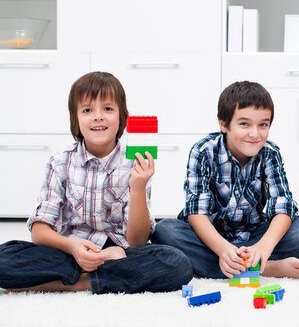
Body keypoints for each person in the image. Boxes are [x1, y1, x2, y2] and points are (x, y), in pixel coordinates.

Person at [0, 72, 192, 293]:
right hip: (69, 251)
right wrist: (72, 247)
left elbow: (138, 242)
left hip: (120, 252)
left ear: (122, 118)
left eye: (108, 109)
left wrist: (138, 188)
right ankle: (91, 276)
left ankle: (77, 284)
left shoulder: (135, 162)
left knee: (177, 263)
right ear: (76, 119)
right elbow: (39, 230)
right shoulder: (59, 162)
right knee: (5, 257)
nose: (98, 116)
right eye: (87, 110)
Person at [151, 81, 299, 279]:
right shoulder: (203, 151)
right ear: (223, 124)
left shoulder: (270, 153)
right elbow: (196, 213)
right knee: (165, 230)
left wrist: (263, 247)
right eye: (244, 124)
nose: (255, 134)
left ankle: (244, 263)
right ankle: (266, 268)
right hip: (209, 237)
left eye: (263, 124)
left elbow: (283, 205)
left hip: (252, 235)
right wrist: (223, 250)